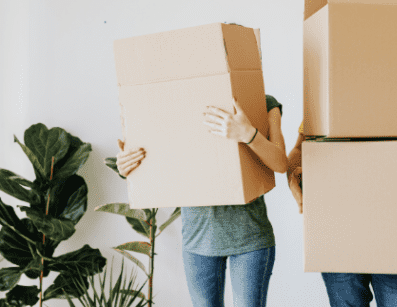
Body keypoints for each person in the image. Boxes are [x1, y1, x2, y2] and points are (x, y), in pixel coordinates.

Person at [116, 95, 288, 307]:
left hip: (250, 239)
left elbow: (281, 163)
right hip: (198, 240)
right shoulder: (176, 104)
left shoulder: (264, 102)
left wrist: (248, 134)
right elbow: (158, 158)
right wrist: (129, 166)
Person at [286, 123, 397, 307]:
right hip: (337, 233)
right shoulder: (327, 97)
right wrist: (292, 178)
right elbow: (299, 149)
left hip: (395, 237)